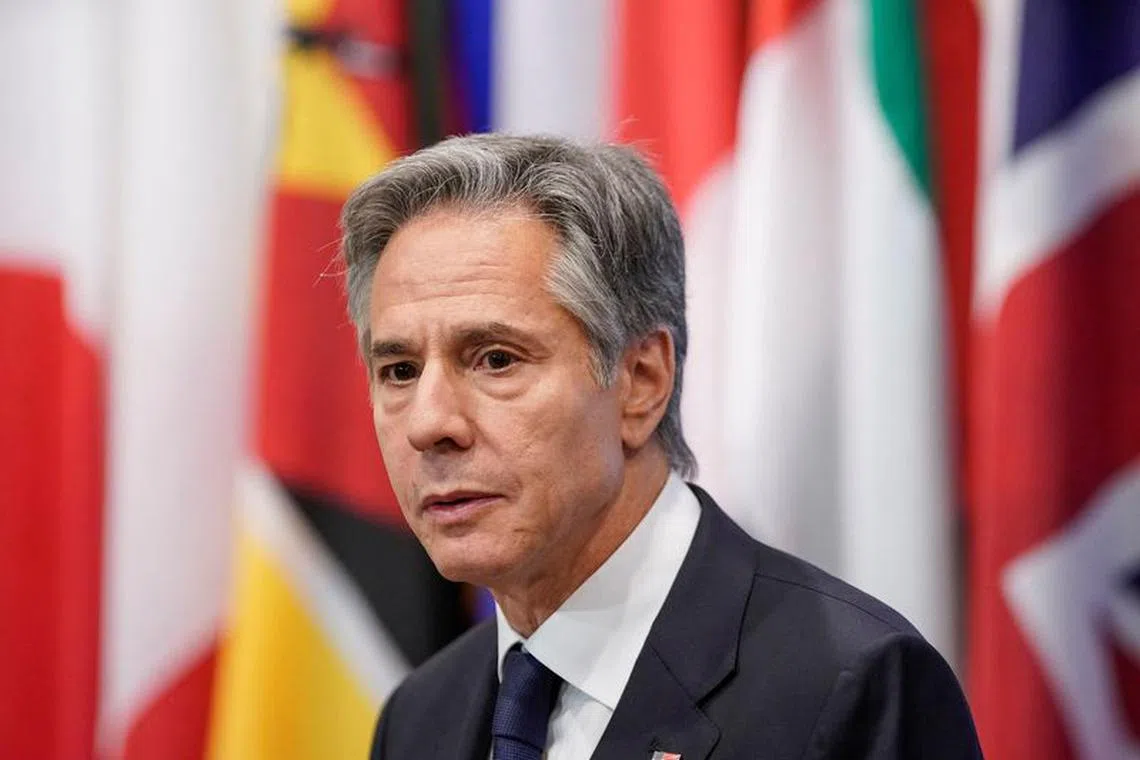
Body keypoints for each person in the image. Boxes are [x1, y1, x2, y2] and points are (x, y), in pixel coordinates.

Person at [339, 133, 983, 760]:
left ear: (641, 383)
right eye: (398, 370)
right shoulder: (419, 717)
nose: (429, 424)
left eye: (496, 359)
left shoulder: (850, 689)